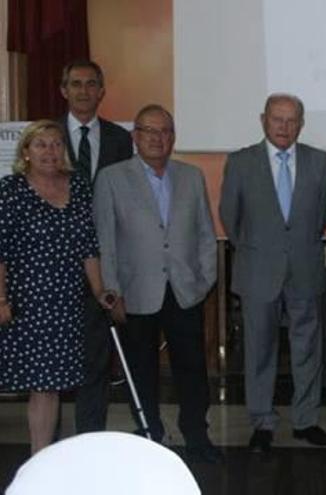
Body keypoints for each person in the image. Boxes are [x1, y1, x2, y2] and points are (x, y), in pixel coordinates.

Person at [93, 105, 222, 463]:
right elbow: (105, 240)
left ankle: (197, 435)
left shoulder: (191, 176)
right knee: (142, 370)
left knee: (193, 369)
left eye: (164, 131)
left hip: (184, 290)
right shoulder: (112, 178)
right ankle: (149, 434)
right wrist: (112, 290)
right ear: (135, 136)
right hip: (134, 293)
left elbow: (205, 235)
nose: (157, 138)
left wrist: (203, 281)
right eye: (149, 131)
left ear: (173, 137)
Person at [219, 93, 326, 452]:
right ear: (263, 120)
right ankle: (262, 421)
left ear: (301, 123)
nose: (284, 127)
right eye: (277, 119)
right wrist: (261, 248)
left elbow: (321, 215)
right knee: (260, 349)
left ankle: (306, 420)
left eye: (291, 120)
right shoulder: (241, 162)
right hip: (257, 270)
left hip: (304, 266)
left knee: (307, 349)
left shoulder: (319, 162)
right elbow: (230, 217)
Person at [0, 120, 113, 454]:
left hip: (66, 303)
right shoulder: (11, 189)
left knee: (55, 384)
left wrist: (98, 290)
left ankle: (49, 457)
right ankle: (39, 459)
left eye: (55, 144)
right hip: (29, 302)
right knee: (42, 385)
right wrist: (1, 297)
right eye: (41, 145)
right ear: (26, 152)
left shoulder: (77, 186)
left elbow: (88, 246)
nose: (49, 152)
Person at [59, 59, 134, 434]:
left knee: (96, 357)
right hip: (52, 264)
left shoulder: (121, 139)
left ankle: (89, 435)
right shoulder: (46, 136)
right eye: (76, 84)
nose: (84, 91)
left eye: (91, 84)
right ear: (64, 90)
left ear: (102, 91)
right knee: (52, 359)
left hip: (101, 262)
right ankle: (48, 445)